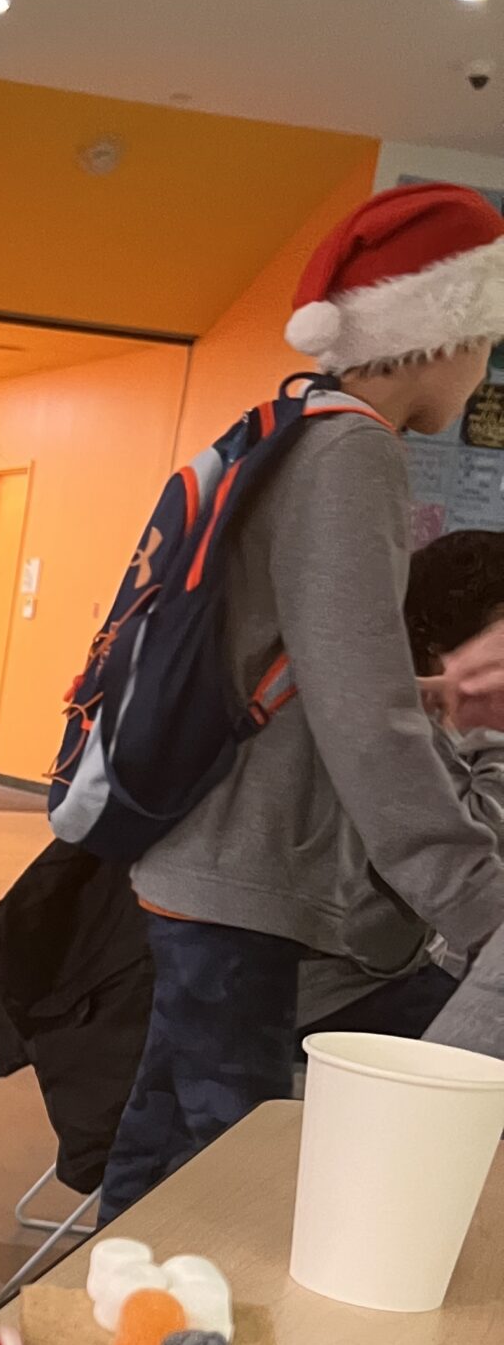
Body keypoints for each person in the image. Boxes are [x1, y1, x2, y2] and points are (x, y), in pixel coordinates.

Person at [100, 184, 504, 1217]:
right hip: (250, 874)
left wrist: (426, 692)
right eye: (485, 340)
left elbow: (309, 665)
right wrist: (470, 893)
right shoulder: (355, 451)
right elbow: (360, 715)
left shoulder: (288, 427)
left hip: (201, 860)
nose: (483, 367)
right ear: (435, 336)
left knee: (157, 1163)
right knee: (232, 1187)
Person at [297, 527, 504, 1026]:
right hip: (333, 990)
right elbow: (471, 858)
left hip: (372, 970)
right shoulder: (399, 729)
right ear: (440, 649)